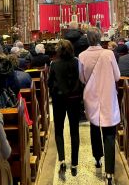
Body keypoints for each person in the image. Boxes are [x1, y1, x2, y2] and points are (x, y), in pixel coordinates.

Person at [79, 27, 121, 185]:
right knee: (109, 133)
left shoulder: (82, 55)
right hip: (107, 95)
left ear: (87, 39)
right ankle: (109, 172)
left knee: (94, 127)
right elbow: (117, 76)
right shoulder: (109, 54)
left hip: (91, 96)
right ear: (100, 38)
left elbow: (82, 78)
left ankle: (97, 158)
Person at [48, 39, 83, 179]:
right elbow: (81, 79)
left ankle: (62, 159)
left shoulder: (54, 64)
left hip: (59, 99)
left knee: (59, 129)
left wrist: (54, 92)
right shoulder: (77, 62)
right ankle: (74, 163)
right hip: (74, 98)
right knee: (74, 130)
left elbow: (50, 82)